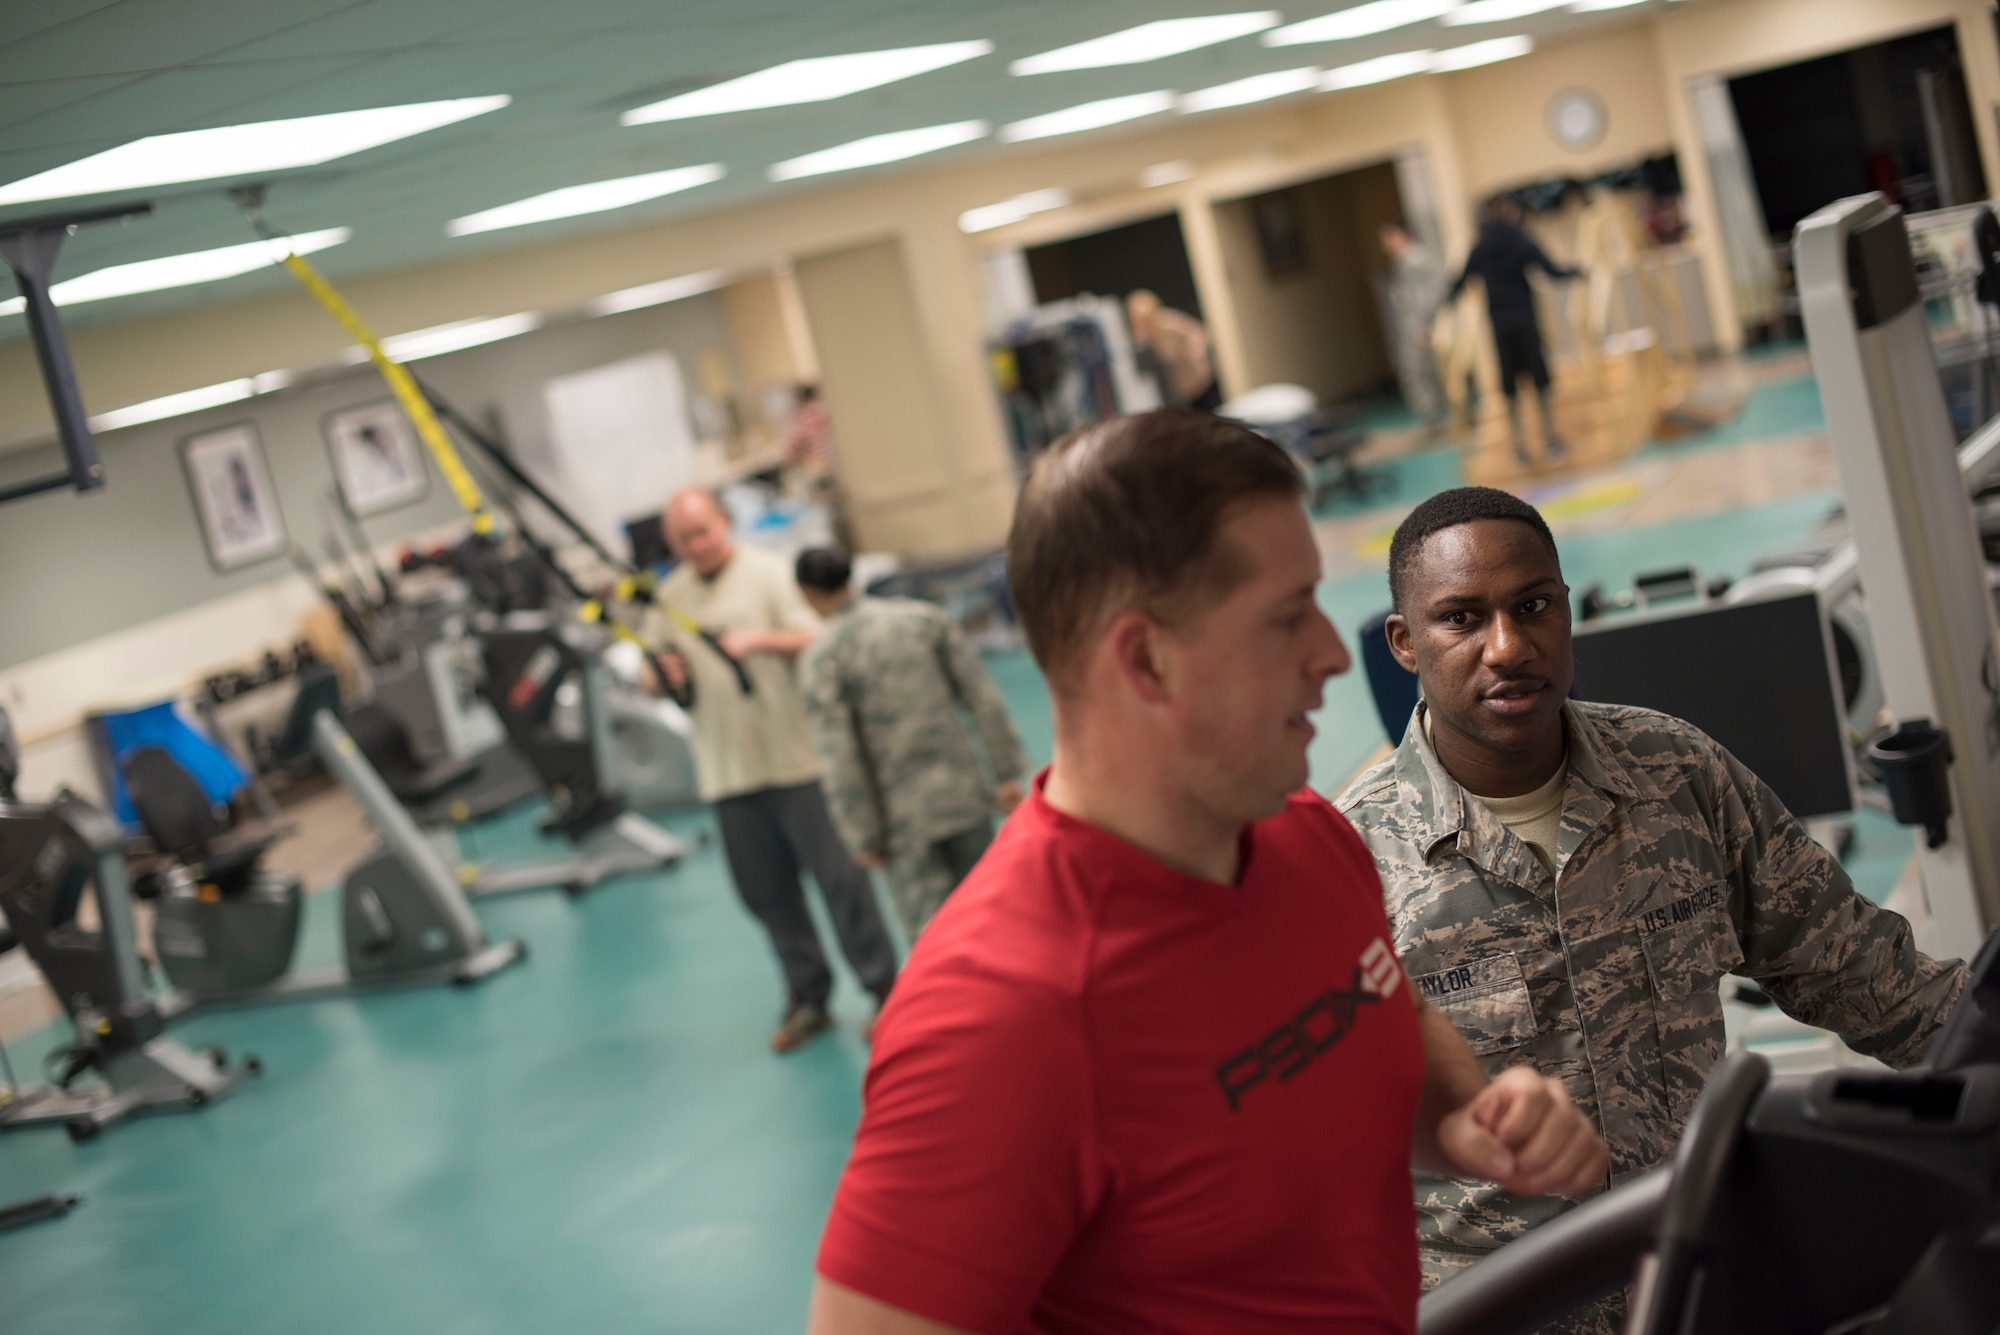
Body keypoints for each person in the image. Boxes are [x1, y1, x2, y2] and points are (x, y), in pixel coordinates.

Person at [809, 414, 1606, 1334]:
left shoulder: (1305, 838)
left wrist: (1465, 1115)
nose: (1333, 654)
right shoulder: (1000, 1013)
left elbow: (1379, 1004)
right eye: (1284, 619)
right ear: (1145, 659)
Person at [1336, 486, 1970, 1334]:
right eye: (1461, 618)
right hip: (1502, 1314)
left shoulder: (1677, 776)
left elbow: (1872, 980)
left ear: (1566, 607)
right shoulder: (1348, 865)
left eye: (1533, 606)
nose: (1508, 646)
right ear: (1405, 642)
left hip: (1700, 1289)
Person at [650, 489, 899, 1052]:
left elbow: (818, 635)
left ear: (724, 523)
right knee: (766, 894)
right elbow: (656, 669)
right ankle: (807, 995)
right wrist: (658, 672)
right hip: (728, 773)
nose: (696, 546)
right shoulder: (668, 598)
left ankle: (885, 990)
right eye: (682, 539)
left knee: (842, 882)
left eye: (703, 532)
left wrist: (760, 640)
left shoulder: (769, 575)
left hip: (797, 762)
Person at [794, 547, 1028, 941]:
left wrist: (862, 833)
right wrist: (1006, 773)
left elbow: (839, 753)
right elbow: (981, 696)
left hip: (901, 824)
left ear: (805, 592)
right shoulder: (922, 620)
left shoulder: (822, 657)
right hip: (964, 798)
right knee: (996, 919)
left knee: (937, 943)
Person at [1445, 197, 1582, 466]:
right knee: (1540, 381)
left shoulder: (1480, 246)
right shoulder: (1520, 240)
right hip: (1524, 318)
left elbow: (1459, 281)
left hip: (1499, 325)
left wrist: (1443, 306)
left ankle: (1518, 448)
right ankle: (1551, 440)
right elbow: (1552, 271)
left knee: (1510, 388)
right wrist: (1578, 271)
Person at [1380, 221, 1449, 436]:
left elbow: (1430, 294)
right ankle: (1431, 418)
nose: (1385, 245)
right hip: (1411, 326)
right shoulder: (1403, 263)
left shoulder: (1417, 260)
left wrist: (1426, 324)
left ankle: (1435, 419)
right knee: (1416, 373)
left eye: (1388, 239)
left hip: (1419, 326)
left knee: (1423, 372)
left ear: (1401, 235)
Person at [1125, 289, 1219, 411]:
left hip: (1196, 375)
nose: (1142, 325)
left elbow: (1197, 333)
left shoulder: (1169, 323)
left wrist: (1195, 351)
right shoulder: (1142, 338)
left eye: (1145, 320)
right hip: (1180, 387)